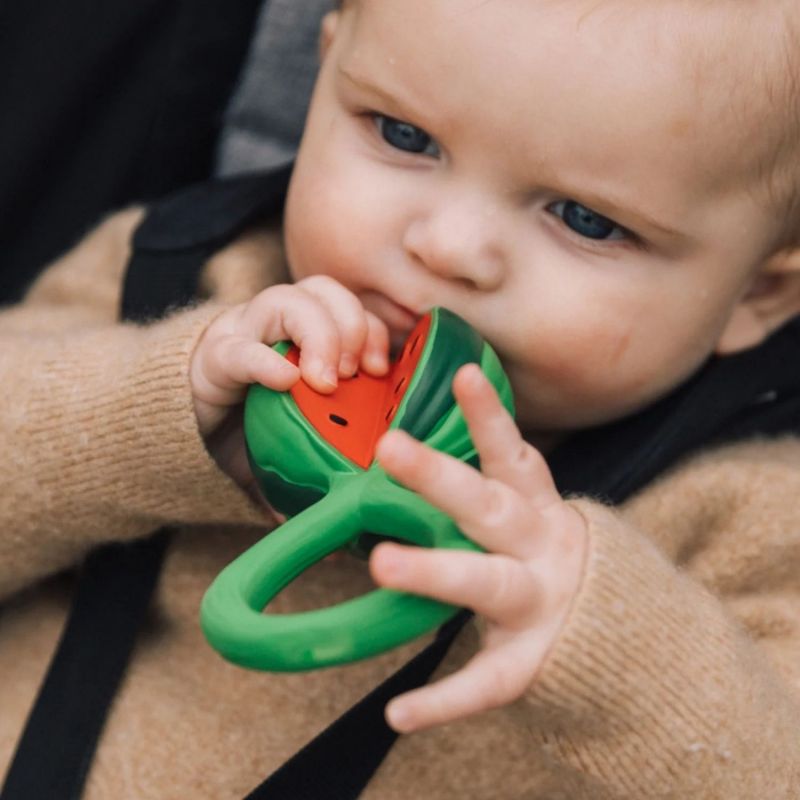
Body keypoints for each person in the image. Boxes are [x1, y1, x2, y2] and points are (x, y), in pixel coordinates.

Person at [2, 0, 800, 797]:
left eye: (586, 219)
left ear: (758, 292)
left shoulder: (748, 513)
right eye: (402, 134)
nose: (446, 247)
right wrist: (147, 412)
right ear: (324, 71)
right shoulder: (184, 284)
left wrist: (624, 657)